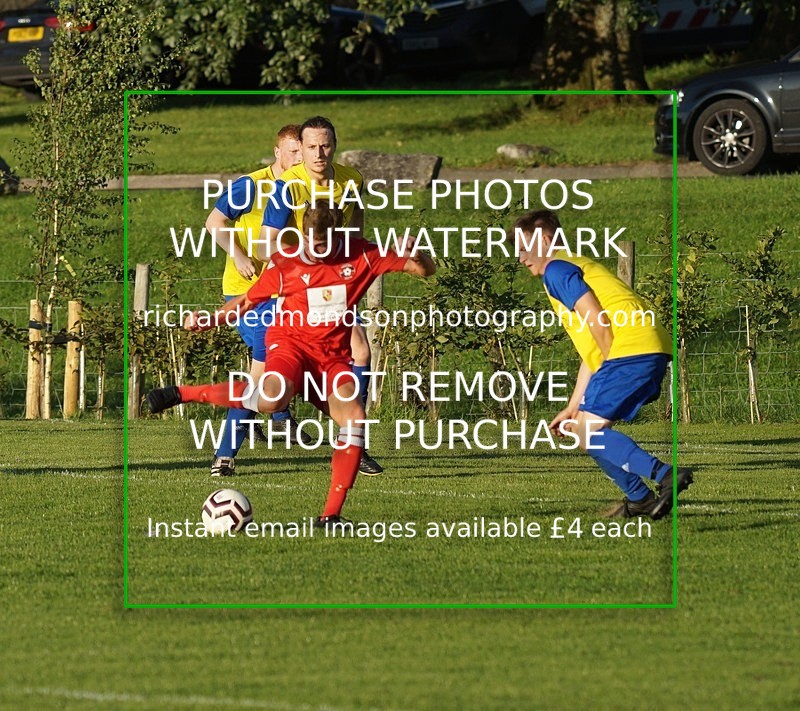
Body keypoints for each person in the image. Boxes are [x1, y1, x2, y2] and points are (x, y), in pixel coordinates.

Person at [148, 205, 436, 528]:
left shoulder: (362, 256)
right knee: (273, 398)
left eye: (322, 246)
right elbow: (246, 301)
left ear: (336, 236)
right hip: (290, 346)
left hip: (331, 360)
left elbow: (426, 270)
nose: (314, 252)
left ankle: (330, 517)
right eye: (309, 244)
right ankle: (181, 393)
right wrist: (211, 319)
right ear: (302, 235)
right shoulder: (288, 262)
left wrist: (418, 253)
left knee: (355, 419)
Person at [510, 209, 692, 519]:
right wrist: (573, 406)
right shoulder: (569, 267)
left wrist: (612, 365)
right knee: (583, 431)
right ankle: (639, 499)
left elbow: (599, 321)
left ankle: (664, 474)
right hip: (643, 346)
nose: (520, 257)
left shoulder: (557, 269)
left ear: (544, 239)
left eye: (524, 247)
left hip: (630, 349)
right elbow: (591, 347)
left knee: (589, 432)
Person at [260, 115, 384, 476]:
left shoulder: (352, 180)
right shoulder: (288, 185)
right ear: (303, 148)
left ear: (335, 145)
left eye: (325, 145)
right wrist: (305, 261)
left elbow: (357, 220)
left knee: (360, 350)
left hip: (335, 282)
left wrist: (352, 258)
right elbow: (268, 240)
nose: (318, 152)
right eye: (311, 146)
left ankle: (354, 444)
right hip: (301, 284)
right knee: (283, 375)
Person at [203, 124, 310, 478]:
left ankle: (274, 415)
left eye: (303, 152)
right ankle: (268, 423)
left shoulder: (308, 186)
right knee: (264, 363)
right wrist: (237, 254)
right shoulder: (252, 184)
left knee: (275, 368)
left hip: (292, 293)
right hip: (247, 293)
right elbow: (214, 221)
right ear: (278, 152)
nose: (300, 158)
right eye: (293, 152)